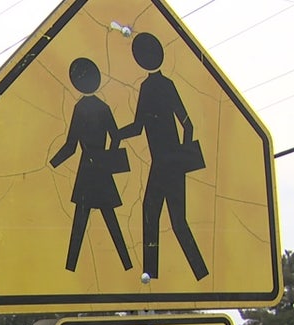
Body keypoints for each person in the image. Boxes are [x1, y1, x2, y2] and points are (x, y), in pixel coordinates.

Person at [117, 32, 209, 281]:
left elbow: (142, 126)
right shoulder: (159, 85)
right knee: (165, 216)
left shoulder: (154, 86)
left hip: (166, 164)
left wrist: (116, 134)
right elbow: (183, 125)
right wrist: (182, 157)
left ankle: (158, 275)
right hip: (167, 164)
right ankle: (175, 274)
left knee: (164, 217)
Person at [50, 57, 134, 273]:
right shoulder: (103, 107)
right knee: (106, 218)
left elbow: (71, 145)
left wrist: (52, 164)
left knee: (81, 221)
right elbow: (115, 136)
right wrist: (109, 157)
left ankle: (71, 267)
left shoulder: (81, 108)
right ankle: (127, 264)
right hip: (101, 169)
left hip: (88, 170)